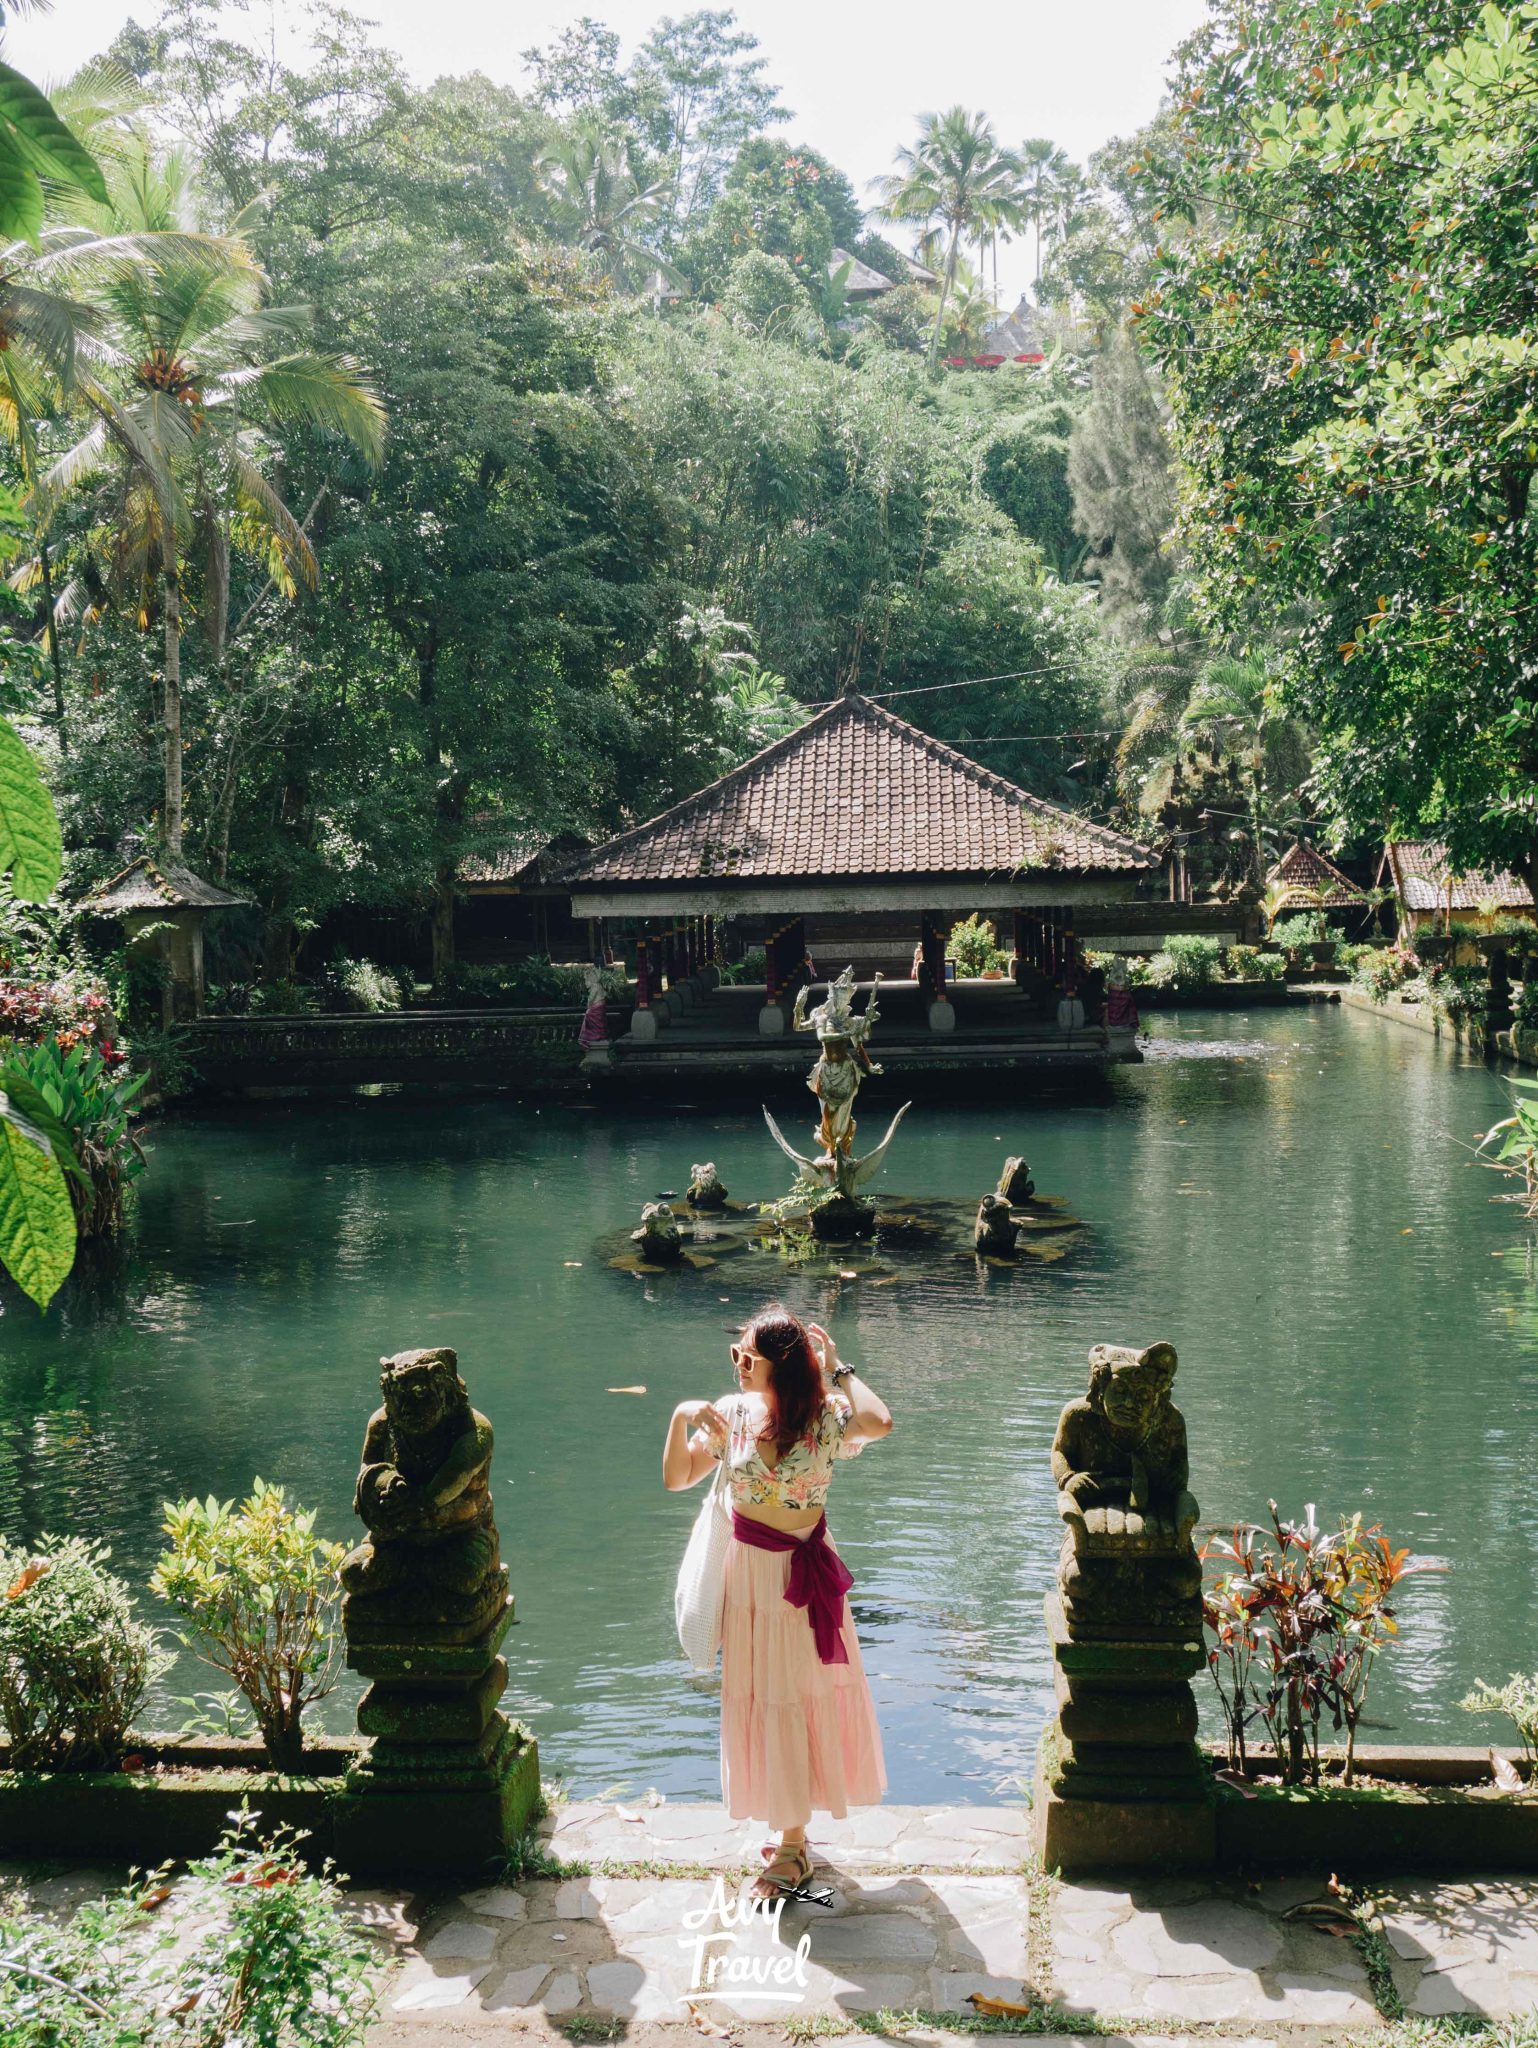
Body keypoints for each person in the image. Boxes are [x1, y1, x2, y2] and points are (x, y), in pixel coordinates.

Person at [662, 1304, 892, 1901]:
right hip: (749, 1582)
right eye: (734, 1354)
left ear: (781, 1367)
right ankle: (791, 1831)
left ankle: (793, 1847)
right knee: (765, 1696)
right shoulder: (732, 1415)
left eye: (748, 1356)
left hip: (802, 1577)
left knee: (794, 1697)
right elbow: (677, 1477)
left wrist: (838, 1367)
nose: (738, 1364)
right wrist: (681, 1416)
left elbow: (881, 1421)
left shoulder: (826, 1418)